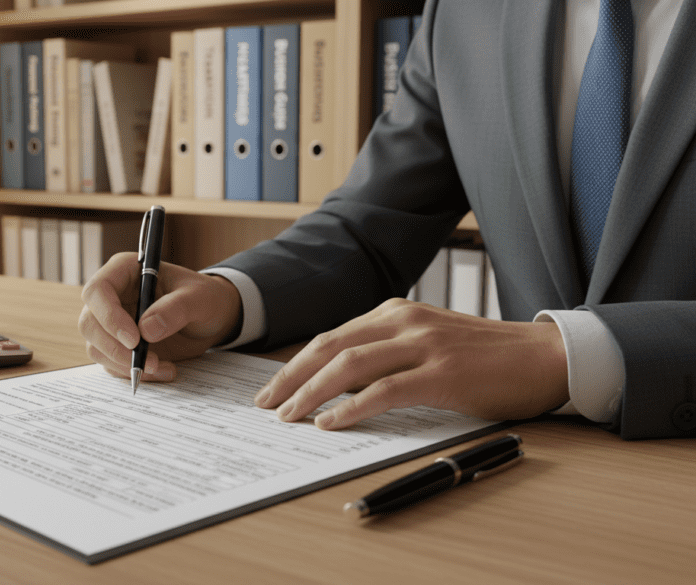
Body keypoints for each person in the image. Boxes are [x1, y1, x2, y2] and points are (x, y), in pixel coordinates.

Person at [79, 0, 696, 440]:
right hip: (527, 463)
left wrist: (565, 355)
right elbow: (371, 229)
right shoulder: (464, 12)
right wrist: (224, 298)